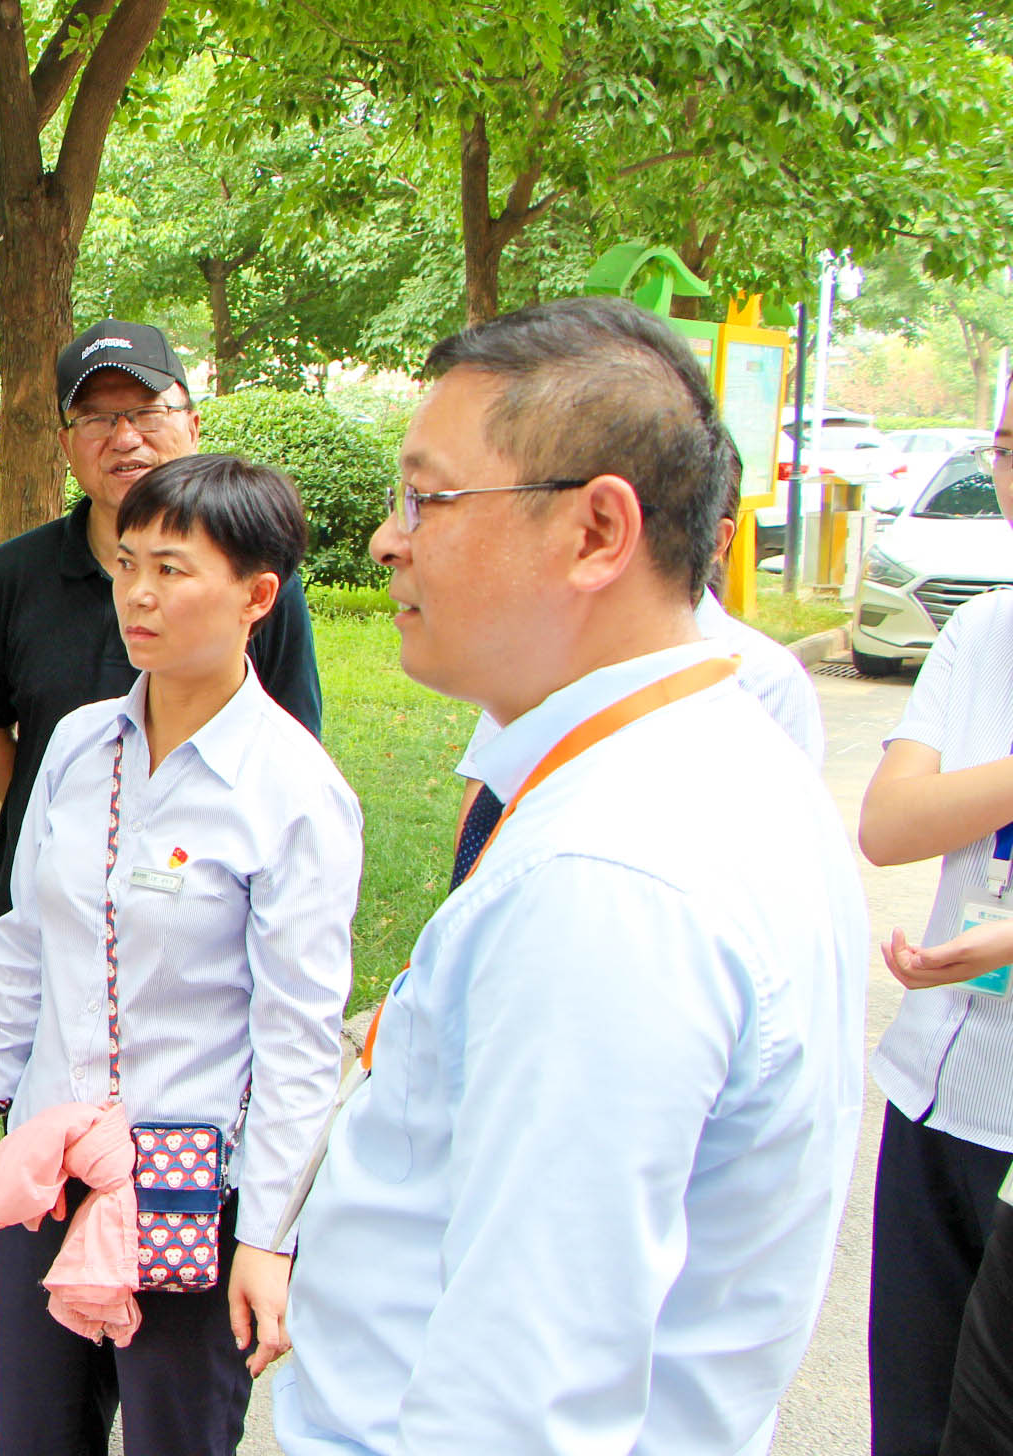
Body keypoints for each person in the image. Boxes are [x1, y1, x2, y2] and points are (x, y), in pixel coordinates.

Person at [273, 297, 866, 1455]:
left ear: (597, 531)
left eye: (428, 499)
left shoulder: (607, 881)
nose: (388, 540)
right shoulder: (711, 764)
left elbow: (520, 1406)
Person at [0, 453, 361, 1456]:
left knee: (176, 1435)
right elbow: (26, 943)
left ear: (258, 596)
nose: (140, 594)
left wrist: (269, 1238)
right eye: (128, 564)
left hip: (188, 1191)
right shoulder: (80, 746)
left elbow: (297, 1038)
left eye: (173, 569)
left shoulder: (293, 791)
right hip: (50, 1161)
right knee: (37, 1434)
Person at [0, 319, 323, 964]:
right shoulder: (14, 574)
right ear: (66, 444)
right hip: (44, 896)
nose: (125, 438)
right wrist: (70, 817)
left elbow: (292, 741)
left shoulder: (253, 583)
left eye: (147, 412)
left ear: (192, 424)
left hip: (201, 913)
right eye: (96, 419)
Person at [858, 392, 1013, 1456]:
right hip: (935, 1091)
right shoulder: (984, 630)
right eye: (1007, 446)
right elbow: (892, 824)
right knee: (913, 1427)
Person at [446, 479, 828, 887]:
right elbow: (487, 800)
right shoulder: (547, 650)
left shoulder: (765, 676)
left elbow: (781, 849)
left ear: (716, 541)